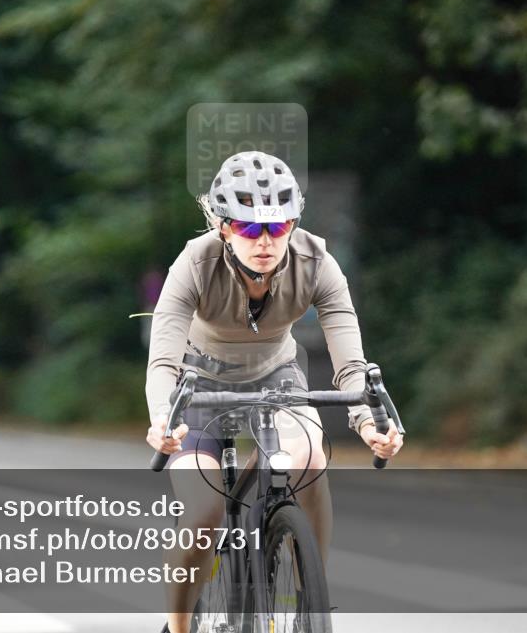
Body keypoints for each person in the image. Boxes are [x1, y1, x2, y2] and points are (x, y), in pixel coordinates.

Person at [145, 151, 403, 633]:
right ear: (223, 227)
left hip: (276, 376)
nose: (263, 241)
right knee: (204, 511)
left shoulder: (317, 262)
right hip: (198, 385)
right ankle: (178, 626)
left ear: (293, 223)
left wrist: (369, 423)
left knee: (308, 457)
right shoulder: (194, 264)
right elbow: (162, 361)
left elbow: (351, 365)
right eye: (247, 228)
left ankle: (313, 594)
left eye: (278, 225)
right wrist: (163, 416)